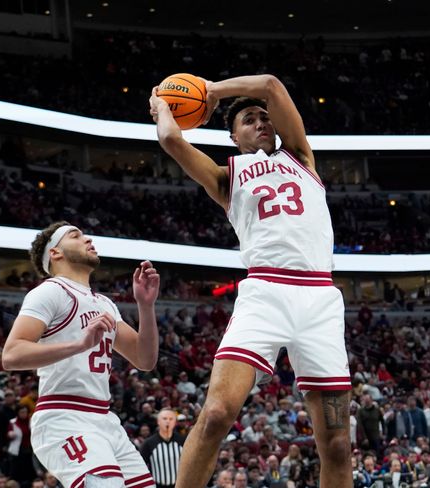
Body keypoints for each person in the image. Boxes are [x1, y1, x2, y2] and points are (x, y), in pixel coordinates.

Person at [150, 74, 351, 488]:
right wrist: (163, 106)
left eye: (264, 118)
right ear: (233, 135)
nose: (261, 122)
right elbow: (171, 140)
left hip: (319, 299)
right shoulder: (227, 176)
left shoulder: (300, 156)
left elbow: (272, 85)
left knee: (336, 444)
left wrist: (210, 90)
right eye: (248, 120)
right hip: (265, 292)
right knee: (217, 416)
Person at [2, 222, 160, 488]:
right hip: (63, 416)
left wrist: (145, 306)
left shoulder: (104, 303)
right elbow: (11, 354)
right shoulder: (50, 291)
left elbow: (145, 360)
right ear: (55, 253)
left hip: (104, 419)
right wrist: (79, 344)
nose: (88, 239)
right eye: (76, 236)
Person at [140, 409, 185, 488]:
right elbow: (140, 466)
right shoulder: (149, 443)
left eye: (171, 419)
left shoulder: (183, 441)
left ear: (175, 422)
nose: (168, 421)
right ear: (158, 422)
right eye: (164, 419)